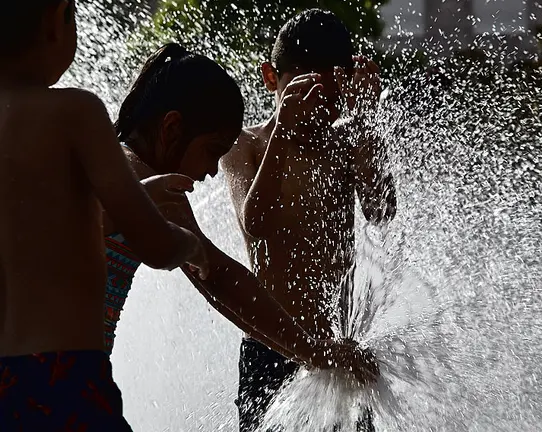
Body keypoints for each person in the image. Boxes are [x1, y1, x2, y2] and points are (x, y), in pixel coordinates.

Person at [103, 43, 379, 379]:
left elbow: (217, 278)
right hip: (50, 374)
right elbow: (220, 276)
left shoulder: (151, 188)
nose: (212, 171)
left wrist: (311, 353)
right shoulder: (136, 181)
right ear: (171, 129)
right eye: (212, 150)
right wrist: (314, 352)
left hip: (68, 371)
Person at [0, 1, 206, 430]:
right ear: (57, 20)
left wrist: (132, 195)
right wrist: (192, 247)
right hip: (64, 377)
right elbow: (155, 244)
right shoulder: (76, 113)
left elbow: (37, 241)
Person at [222, 9, 397, 431]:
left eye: (329, 95)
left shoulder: (346, 142)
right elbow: (256, 223)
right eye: (302, 91)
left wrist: (367, 121)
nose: (315, 109)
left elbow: (380, 210)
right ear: (270, 78)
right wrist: (283, 129)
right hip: (273, 346)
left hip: (343, 354)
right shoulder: (246, 145)